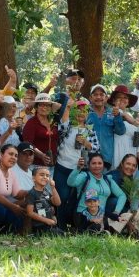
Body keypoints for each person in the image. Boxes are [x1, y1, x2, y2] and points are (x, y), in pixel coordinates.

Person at [55, 97, 99, 227]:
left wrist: (86, 143)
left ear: (88, 113)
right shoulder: (69, 126)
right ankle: (60, 227)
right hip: (62, 167)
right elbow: (61, 126)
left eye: (84, 110)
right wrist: (68, 107)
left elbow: (96, 148)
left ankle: (75, 226)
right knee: (61, 198)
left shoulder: (90, 131)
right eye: (78, 110)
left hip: (79, 170)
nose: (81, 113)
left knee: (75, 199)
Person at [67, 153, 126, 232]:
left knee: (100, 226)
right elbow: (70, 182)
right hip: (83, 215)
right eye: (94, 163)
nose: (97, 166)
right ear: (88, 165)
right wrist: (78, 168)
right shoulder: (85, 176)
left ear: (103, 165)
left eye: (99, 163)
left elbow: (122, 195)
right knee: (94, 229)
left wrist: (116, 211)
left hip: (100, 215)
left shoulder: (107, 179)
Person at [0, 144, 27, 233]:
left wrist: (32, 192)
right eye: (10, 154)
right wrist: (13, 207)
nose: (13, 158)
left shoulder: (11, 172)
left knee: (20, 212)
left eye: (16, 156)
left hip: (3, 206)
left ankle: (7, 235)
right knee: (0, 210)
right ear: (1, 155)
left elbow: (17, 194)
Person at [87, 83, 126, 169]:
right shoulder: (85, 113)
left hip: (106, 159)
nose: (98, 97)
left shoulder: (112, 112)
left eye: (101, 94)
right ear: (90, 98)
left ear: (106, 98)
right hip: (88, 158)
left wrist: (117, 116)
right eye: (95, 94)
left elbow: (121, 131)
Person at [22, 93, 61, 168]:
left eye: (47, 105)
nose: (44, 107)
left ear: (51, 107)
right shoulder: (31, 123)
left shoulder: (53, 122)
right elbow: (27, 144)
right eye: (41, 105)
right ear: (36, 107)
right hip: (36, 165)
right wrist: (41, 155)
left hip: (52, 164)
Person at [108, 85, 139, 163]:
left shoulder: (130, 115)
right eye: (119, 97)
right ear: (113, 101)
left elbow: (136, 129)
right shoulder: (110, 114)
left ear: (128, 101)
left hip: (131, 150)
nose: (122, 99)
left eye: (125, 97)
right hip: (117, 149)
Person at [26, 165, 63, 235]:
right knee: (61, 235)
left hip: (49, 225)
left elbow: (58, 203)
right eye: (42, 175)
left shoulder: (46, 191)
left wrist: (53, 188)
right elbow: (30, 212)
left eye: (47, 175)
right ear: (33, 178)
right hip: (39, 226)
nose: (45, 177)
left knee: (63, 234)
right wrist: (46, 220)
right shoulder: (32, 193)